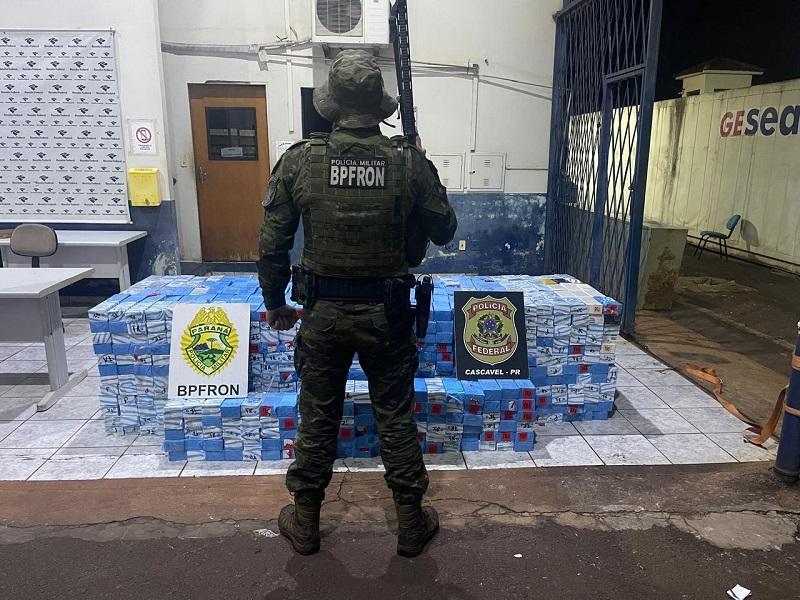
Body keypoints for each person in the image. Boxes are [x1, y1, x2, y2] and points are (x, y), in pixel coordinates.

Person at [256, 49, 457, 558]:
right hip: (387, 314)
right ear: (377, 105)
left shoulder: (300, 160)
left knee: (318, 415)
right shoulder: (407, 162)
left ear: (332, 104)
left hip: (321, 314)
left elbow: (273, 244)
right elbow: (444, 230)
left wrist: (275, 302)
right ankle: (410, 523)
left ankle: (306, 522)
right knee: (395, 415)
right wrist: (422, 170)